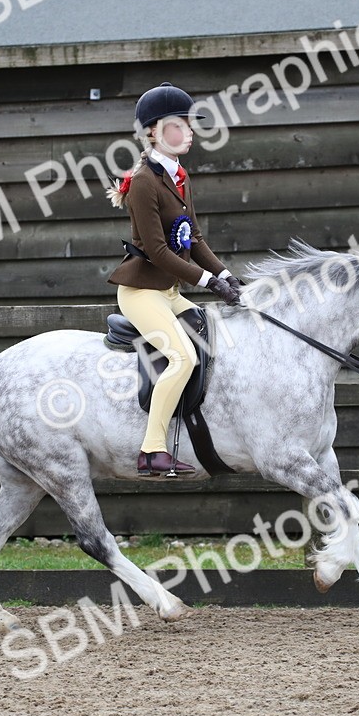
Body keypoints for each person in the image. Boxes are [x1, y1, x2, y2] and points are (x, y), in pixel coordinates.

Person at [106, 82, 242, 477]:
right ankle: (151, 450)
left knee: (214, 337)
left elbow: (192, 236)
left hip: (168, 292)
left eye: (189, 123)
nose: (190, 130)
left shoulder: (179, 175)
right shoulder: (145, 181)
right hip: (142, 293)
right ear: (152, 131)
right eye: (179, 124)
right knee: (181, 359)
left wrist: (227, 275)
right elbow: (159, 251)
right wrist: (208, 281)